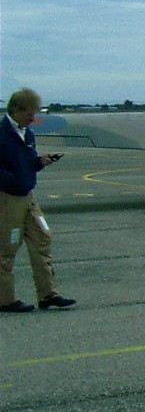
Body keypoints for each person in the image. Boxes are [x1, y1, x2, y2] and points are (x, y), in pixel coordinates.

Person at [1, 88, 76, 313]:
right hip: (9, 198)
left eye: (34, 113)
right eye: (29, 114)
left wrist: (39, 162)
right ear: (15, 110)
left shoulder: (28, 134)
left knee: (42, 238)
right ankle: (4, 299)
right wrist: (14, 181)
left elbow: (26, 163)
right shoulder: (2, 134)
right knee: (6, 247)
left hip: (27, 196)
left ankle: (48, 294)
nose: (33, 118)